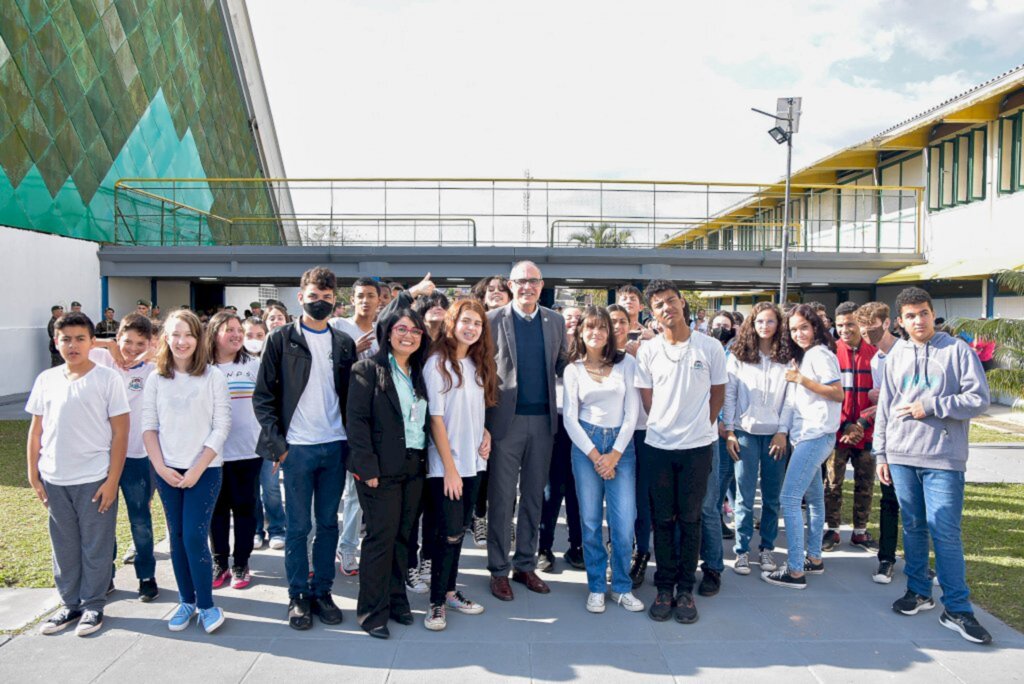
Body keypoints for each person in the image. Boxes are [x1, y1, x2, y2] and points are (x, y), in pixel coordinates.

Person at [875, 287, 993, 644]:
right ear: (900, 322)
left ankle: (957, 608)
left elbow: (979, 399)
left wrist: (932, 406)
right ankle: (919, 592)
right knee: (912, 527)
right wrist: (881, 453)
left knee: (944, 531)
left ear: (932, 314)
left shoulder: (956, 351)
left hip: (943, 457)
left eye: (923, 313)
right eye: (910, 316)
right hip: (901, 455)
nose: (918, 320)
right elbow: (885, 406)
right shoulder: (895, 355)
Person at [253, 266, 356, 630]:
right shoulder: (280, 339)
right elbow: (263, 397)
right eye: (313, 297)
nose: (319, 303)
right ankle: (298, 595)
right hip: (296, 450)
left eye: (327, 298)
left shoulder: (343, 343)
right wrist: (280, 447)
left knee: (328, 524)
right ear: (301, 297)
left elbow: (352, 400)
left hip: (334, 447)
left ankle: (322, 591)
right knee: (298, 527)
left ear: (335, 302)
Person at [28, 313, 130, 637]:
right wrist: (33, 472)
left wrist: (112, 480)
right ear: (56, 342)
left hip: (93, 478)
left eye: (80, 338)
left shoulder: (107, 379)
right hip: (55, 478)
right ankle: (69, 604)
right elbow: (36, 431)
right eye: (66, 339)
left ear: (91, 342)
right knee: (65, 545)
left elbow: (121, 433)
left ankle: (93, 605)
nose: (72, 345)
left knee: (95, 544)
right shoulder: (47, 379)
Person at [634, 280, 726, 624]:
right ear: (652, 312)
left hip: (698, 447)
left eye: (670, 301)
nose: (666, 308)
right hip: (658, 445)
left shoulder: (710, 347)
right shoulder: (649, 351)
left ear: (682, 302)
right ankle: (664, 585)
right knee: (663, 519)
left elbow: (718, 392)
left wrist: (704, 423)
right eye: (658, 305)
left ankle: (686, 588)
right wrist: (666, 422)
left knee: (691, 518)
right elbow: (647, 397)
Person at [142, 310, 231, 633]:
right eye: (175, 334)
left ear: (200, 338)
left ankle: (207, 605)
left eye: (189, 335)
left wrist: (196, 468)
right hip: (166, 471)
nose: (182, 342)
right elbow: (148, 427)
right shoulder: (156, 378)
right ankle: (186, 601)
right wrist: (161, 467)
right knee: (176, 537)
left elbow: (221, 427)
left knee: (194, 535)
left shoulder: (213, 377)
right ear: (166, 338)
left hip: (204, 470)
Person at [486, 261, 567, 601]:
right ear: (510, 284)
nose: (527, 287)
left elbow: (564, 365)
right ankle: (498, 570)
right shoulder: (492, 320)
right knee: (503, 499)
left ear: (542, 284)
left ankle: (525, 564)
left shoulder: (555, 321)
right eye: (521, 281)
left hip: (544, 423)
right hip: (506, 422)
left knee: (534, 496)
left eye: (533, 281)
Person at [346, 309, 430, 639]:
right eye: (401, 329)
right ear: (388, 332)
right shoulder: (367, 369)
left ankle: (397, 601)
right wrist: (367, 469)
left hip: (414, 466)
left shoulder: (420, 372)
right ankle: (371, 611)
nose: (408, 335)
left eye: (416, 331)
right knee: (380, 540)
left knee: (403, 538)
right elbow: (357, 422)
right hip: (379, 471)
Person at [422, 299, 496, 630]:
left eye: (477, 324)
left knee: (459, 533)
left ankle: (450, 592)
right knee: (447, 533)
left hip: (474, 462)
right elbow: (436, 420)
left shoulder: (478, 364)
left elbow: (472, 410)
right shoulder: (437, 363)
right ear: (453, 323)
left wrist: (486, 432)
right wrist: (449, 468)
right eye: (466, 321)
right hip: (446, 466)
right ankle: (435, 604)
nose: (471, 328)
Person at [563, 307, 643, 613]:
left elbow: (632, 412)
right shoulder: (573, 369)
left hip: (622, 448)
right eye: (590, 328)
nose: (595, 333)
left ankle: (621, 586)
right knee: (591, 521)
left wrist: (615, 455)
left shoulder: (627, 363)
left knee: (623, 523)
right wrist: (597, 456)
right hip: (586, 447)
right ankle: (597, 585)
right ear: (581, 332)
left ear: (610, 333)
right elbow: (570, 419)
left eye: (602, 328)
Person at [761, 304, 842, 589]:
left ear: (816, 328)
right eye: (793, 329)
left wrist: (802, 380)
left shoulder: (820, 354)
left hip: (815, 436)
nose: (799, 334)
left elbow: (837, 393)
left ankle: (795, 569)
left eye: (804, 328)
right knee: (815, 499)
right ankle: (814, 558)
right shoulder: (806, 356)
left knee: (790, 499)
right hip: (808, 436)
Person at [90, 314, 159, 601]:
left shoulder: (153, 368)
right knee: (103, 519)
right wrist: (109, 345)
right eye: (126, 341)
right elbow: (76, 343)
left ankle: (146, 575)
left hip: (136, 455)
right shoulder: (102, 359)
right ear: (118, 338)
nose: (131, 349)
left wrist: (150, 352)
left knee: (140, 519)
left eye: (139, 343)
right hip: (102, 456)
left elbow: (177, 348)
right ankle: (105, 574)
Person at [722, 302, 790, 576]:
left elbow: (791, 399)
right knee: (744, 497)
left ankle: (767, 549)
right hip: (745, 434)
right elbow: (729, 395)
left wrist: (783, 430)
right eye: (760, 321)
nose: (765, 326)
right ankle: (742, 551)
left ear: (778, 325)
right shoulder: (738, 355)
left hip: (776, 436)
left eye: (770, 321)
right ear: (752, 324)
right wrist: (729, 430)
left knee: (773, 498)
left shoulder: (788, 356)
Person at [330, 277, 384, 577]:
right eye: (360, 296)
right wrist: (352, 350)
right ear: (352, 300)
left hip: (371, 422)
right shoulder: (339, 328)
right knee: (332, 490)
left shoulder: (385, 331)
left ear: (380, 300)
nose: (365, 301)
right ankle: (327, 547)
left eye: (371, 296)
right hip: (339, 417)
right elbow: (329, 369)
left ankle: (348, 547)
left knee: (356, 490)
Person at [207, 313, 263, 590]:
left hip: (248, 453)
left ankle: (241, 563)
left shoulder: (253, 365)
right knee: (216, 511)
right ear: (214, 332)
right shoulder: (202, 367)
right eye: (229, 329)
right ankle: (220, 562)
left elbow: (268, 404)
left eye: (239, 330)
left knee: (244, 508)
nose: (236, 334)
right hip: (211, 454)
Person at [822, 302, 878, 553]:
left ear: (861, 324)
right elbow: (826, 394)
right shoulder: (830, 353)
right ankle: (832, 530)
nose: (844, 329)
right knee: (832, 484)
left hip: (867, 432)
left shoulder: (877, 354)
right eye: (840, 324)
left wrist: (862, 423)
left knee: (865, 484)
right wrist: (845, 424)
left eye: (850, 324)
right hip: (838, 432)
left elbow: (885, 395)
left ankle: (860, 532)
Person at [857, 302, 902, 584]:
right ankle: (886, 559)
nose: (866, 335)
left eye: (870, 328)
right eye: (863, 331)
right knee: (889, 501)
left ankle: (920, 563)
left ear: (886, 323)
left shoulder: (906, 353)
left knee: (915, 507)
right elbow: (883, 401)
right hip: (889, 438)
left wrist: (883, 399)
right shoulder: (876, 360)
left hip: (915, 439)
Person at [537, 305, 584, 572]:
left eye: (578, 318)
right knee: (551, 490)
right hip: (553, 426)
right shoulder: (548, 345)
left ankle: (577, 547)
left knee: (578, 491)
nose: (573, 322)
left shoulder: (589, 350)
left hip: (581, 427)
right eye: (568, 317)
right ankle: (544, 548)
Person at [609, 303, 653, 588]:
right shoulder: (599, 354)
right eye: (611, 322)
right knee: (617, 499)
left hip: (645, 431)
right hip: (613, 434)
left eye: (622, 321)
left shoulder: (647, 351)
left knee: (642, 499)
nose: (617, 327)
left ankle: (641, 553)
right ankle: (618, 551)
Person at [468, 280, 513, 547]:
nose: (496, 292)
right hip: (479, 405)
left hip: (509, 406)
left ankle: (506, 521)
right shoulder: (477, 324)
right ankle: (479, 517)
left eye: (501, 289)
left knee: (508, 473)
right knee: (482, 467)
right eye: (490, 289)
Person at [253, 309, 288, 550]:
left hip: (269, 435)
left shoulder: (280, 356)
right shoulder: (237, 361)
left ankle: (277, 527)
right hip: (242, 439)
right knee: (251, 490)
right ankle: (257, 528)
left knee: (272, 487)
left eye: (280, 317)